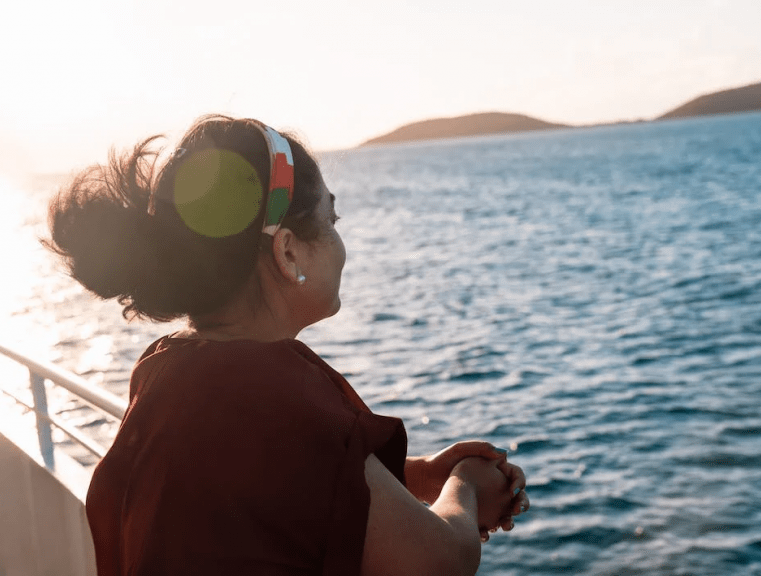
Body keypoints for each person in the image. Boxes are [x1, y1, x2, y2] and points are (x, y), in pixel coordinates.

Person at [46, 116, 530, 575]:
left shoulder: (167, 367)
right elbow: (439, 562)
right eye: (332, 220)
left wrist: (417, 477)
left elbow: (263, 483)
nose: (342, 244)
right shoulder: (276, 393)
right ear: (288, 251)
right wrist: (465, 485)